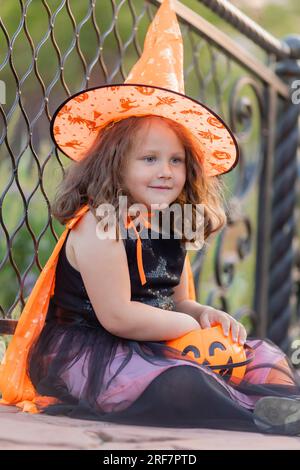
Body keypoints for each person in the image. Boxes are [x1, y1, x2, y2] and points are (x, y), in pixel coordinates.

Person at [1, 0, 300, 436]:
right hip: (95, 353)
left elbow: (175, 301)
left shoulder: (168, 223)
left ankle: (271, 402)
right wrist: (187, 327)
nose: (166, 171)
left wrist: (204, 314)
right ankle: (257, 416)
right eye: (149, 158)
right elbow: (119, 316)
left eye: (176, 160)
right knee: (181, 382)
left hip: (157, 341)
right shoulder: (99, 225)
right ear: (114, 164)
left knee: (264, 358)